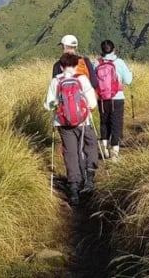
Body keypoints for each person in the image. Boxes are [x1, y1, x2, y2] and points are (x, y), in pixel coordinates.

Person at [45, 52, 99, 206]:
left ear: (61, 66)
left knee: (70, 153)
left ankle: (74, 189)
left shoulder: (56, 81)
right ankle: (89, 179)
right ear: (77, 65)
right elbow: (92, 104)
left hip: (63, 124)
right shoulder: (81, 79)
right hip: (83, 122)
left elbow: (49, 104)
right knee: (90, 146)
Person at [94, 40, 133, 163]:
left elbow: (93, 82)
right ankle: (114, 154)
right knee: (116, 123)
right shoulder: (119, 63)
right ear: (114, 49)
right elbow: (128, 81)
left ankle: (104, 148)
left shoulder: (96, 63)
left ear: (102, 50)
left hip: (102, 98)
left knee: (104, 122)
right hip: (117, 98)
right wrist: (130, 72)